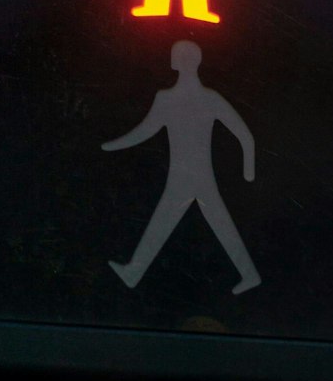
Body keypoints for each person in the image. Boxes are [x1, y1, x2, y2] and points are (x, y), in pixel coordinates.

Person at [103, 40, 260, 295]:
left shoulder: (186, 98)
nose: (172, 58)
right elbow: (145, 131)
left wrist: (249, 170)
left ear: (185, 61)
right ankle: (134, 271)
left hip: (188, 177)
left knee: (178, 222)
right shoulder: (184, 98)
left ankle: (134, 272)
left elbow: (244, 134)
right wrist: (114, 145)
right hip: (188, 176)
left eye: (176, 55)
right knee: (199, 223)